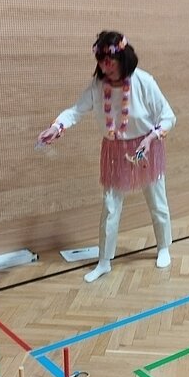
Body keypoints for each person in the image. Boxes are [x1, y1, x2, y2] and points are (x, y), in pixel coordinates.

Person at [37, 31, 176, 283]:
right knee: (110, 207)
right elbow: (76, 111)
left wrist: (151, 138)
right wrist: (57, 127)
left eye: (109, 64)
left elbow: (168, 117)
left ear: (123, 59)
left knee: (157, 201)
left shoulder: (144, 81)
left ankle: (163, 247)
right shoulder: (98, 86)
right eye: (101, 64)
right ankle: (104, 261)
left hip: (145, 147)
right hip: (115, 151)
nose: (104, 69)